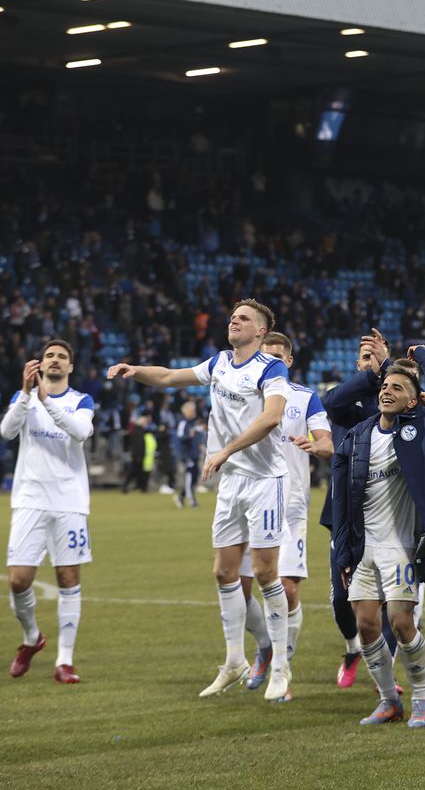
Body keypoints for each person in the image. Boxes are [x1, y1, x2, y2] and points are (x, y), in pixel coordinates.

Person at [108, 299, 293, 701]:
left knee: (264, 573)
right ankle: (233, 661)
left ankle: (280, 664)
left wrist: (225, 450)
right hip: (231, 484)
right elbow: (170, 377)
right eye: (233, 316)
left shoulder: (271, 368)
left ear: (261, 331)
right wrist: (136, 370)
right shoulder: (219, 363)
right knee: (225, 573)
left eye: (244, 318)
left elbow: (273, 416)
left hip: (265, 480)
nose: (235, 320)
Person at [330, 346, 425, 728]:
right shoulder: (357, 436)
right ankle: (389, 701)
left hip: (403, 546)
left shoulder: (423, 427)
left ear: (414, 399)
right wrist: (344, 554)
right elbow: (342, 502)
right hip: (364, 548)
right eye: (384, 385)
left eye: (397, 387)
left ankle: (421, 698)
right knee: (367, 624)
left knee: (401, 623)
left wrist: (420, 355)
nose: (387, 391)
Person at [239, 332, 333, 695]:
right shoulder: (246, 393)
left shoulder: (305, 397)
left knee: (287, 589)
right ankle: (265, 646)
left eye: (278, 356)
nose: (272, 361)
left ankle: (283, 667)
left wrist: (320, 445)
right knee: (239, 587)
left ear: (289, 361)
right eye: (266, 355)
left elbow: (326, 438)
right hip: (248, 502)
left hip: (289, 507)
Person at [1, 339, 95, 684]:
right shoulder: (22, 398)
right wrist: (27, 396)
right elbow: (7, 431)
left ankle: (65, 661)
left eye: (62, 357)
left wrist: (47, 402)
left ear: (71, 367)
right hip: (30, 500)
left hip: (69, 502)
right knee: (18, 580)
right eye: (49, 356)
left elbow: (81, 432)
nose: (55, 360)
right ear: (40, 364)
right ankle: (31, 638)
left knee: (68, 578)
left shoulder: (81, 401)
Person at [322, 330, 397, 687]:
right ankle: (352, 648)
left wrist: (388, 369)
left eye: (375, 359)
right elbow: (332, 401)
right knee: (342, 600)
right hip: (346, 517)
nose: (370, 365)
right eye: (364, 360)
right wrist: (373, 372)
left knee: (391, 602)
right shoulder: (346, 405)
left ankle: (388, 673)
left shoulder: (396, 403)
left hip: (391, 515)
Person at [174, 401, 202, 508]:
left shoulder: (194, 423)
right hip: (187, 455)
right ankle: (192, 501)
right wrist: (189, 436)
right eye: (192, 410)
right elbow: (180, 437)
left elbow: (198, 436)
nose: (194, 412)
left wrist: (200, 444)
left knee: (194, 477)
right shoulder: (183, 423)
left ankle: (181, 496)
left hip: (195, 454)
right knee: (189, 477)